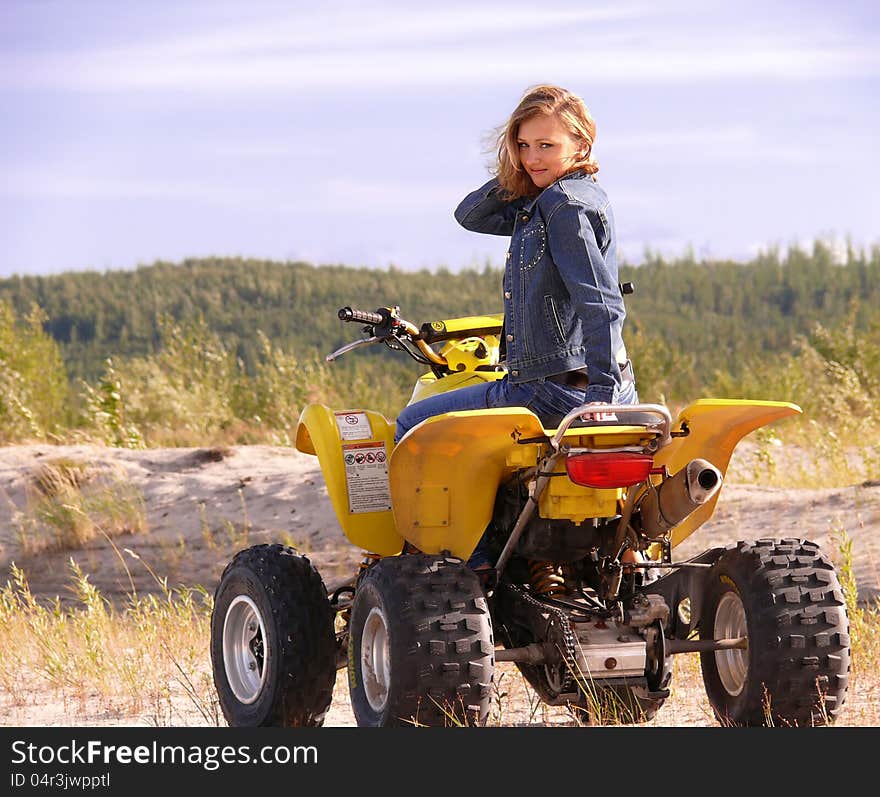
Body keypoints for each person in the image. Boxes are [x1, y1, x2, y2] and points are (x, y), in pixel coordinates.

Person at [394, 84, 638, 450]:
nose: (532, 159)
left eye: (546, 146)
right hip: (614, 386)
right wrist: (517, 175)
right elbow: (471, 215)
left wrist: (600, 395)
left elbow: (601, 305)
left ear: (582, 145)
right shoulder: (560, 200)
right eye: (523, 146)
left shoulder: (562, 207)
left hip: (552, 391)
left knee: (412, 422)